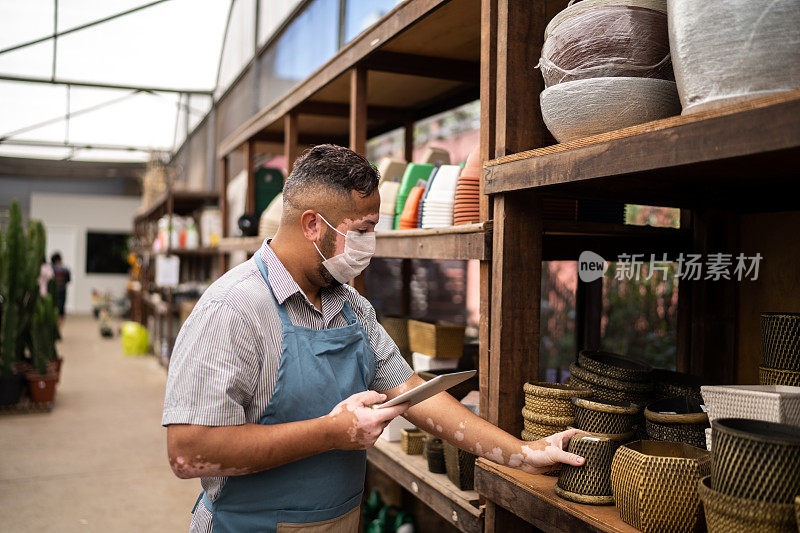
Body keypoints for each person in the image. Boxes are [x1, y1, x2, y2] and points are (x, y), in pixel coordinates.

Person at [163, 145, 585, 533]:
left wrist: (523, 454)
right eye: (362, 230)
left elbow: (413, 394)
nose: (370, 245)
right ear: (312, 224)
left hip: (341, 521)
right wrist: (332, 432)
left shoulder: (351, 308)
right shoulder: (232, 310)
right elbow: (187, 451)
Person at [51, 252, 71, 327]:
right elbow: (68, 280)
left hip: (52, 292)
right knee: (61, 310)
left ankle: (54, 328)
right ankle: (59, 328)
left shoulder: (50, 269)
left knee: (52, 308)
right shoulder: (65, 270)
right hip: (62, 291)